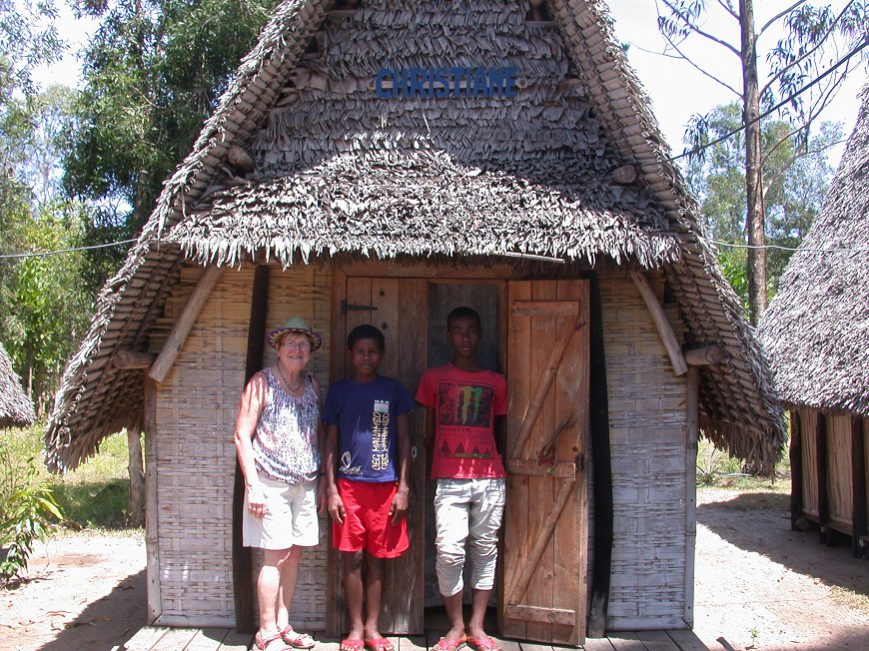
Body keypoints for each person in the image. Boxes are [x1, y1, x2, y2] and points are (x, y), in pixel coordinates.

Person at [415, 307, 507, 651]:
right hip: (449, 478)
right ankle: (455, 626)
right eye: (458, 330)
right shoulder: (433, 378)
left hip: (490, 478)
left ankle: (478, 627)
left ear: (480, 333)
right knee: (450, 552)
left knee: (485, 551)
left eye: (471, 330)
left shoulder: (497, 382)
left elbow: (498, 429)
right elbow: (426, 429)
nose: (465, 337)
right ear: (448, 335)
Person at [234, 316, 327, 651]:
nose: (297, 350)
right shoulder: (262, 383)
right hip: (270, 483)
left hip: (305, 483)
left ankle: (285, 624)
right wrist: (253, 486)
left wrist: (324, 481)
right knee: (274, 556)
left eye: (302, 345)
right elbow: (242, 435)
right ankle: (266, 631)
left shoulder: (312, 385)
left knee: (295, 555)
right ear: (278, 347)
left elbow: (319, 435)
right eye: (291, 343)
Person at [323, 324, 414, 651]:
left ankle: (374, 629)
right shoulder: (338, 391)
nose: (366, 357)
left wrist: (403, 487)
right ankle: (355, 629)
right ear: (350, 354)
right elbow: (330, 441)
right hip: (348, 487)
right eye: (360, 352)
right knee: (354, 559)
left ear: (382, 355)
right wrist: (331, 488)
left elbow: (404, 440)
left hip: (385, 488)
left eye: (372, 352)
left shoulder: (393, 390)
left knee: (378, 559)